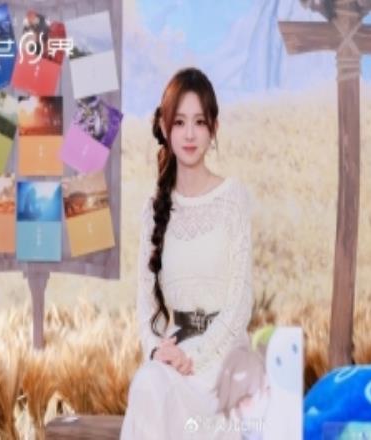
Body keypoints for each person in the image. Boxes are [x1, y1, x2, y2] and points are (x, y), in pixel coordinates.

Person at [120, 67, 254, 439]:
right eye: (179, 122)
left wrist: (194, 356)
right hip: (173, 359)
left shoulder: (232, 198)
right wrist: (157, 352)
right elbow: (146, 306)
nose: (190, 134)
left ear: (214, 128)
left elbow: (241, 300)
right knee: (148, 382)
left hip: (223, 361)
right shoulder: (153, 211)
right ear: (165, 128)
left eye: (199, 122)